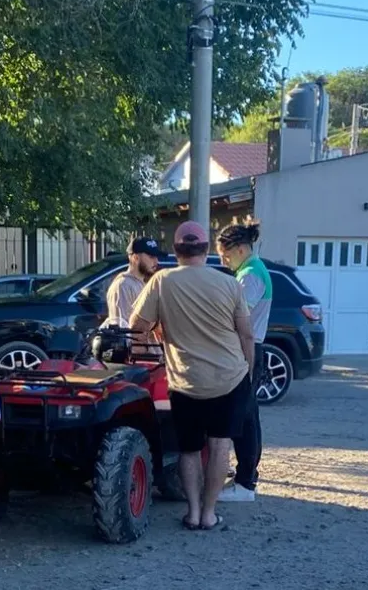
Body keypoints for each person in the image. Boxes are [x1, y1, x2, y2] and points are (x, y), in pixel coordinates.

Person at [129, 221, 254, 531]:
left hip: (185, 380)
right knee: (220, 443)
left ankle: (193, 512)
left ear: (175, 251)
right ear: (207, 250)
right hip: (229, 377)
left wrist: (157, 338)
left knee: (188, 448)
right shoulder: (229, 283)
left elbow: (136, 326)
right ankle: (210, 514)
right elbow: (247, 335)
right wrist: (248, 370)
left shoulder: (161, 281)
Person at [215, 223, 271, 503]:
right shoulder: (252, 270)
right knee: (248, 415)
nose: (224, 261)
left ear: (239, 249)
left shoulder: (250, 276)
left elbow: (237, 317)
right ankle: (245, 478)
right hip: (250, 347)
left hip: (247, 349)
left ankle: (246, 482)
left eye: (225, 255)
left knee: (245, 418)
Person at [106, 236, 167, 327]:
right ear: (135, 258)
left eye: (156, 257)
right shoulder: (123, 286)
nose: (156, 261)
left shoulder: (144, 283)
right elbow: (125, 330)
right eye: (151, 257)